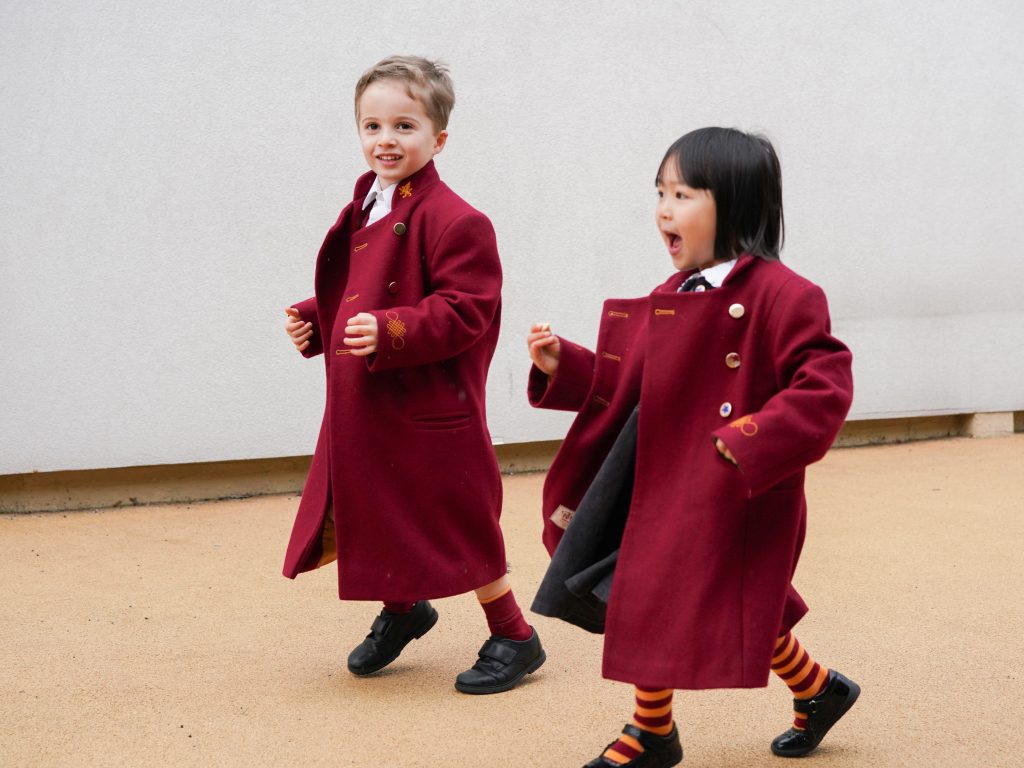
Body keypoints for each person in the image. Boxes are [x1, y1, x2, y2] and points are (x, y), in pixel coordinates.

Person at [526, 127, 858, 765]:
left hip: (737, 487)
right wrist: (560, 363)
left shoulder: (786, 296)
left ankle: (653, 733)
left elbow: (825, 386)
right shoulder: (672, 296)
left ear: (734, 204)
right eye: (660, 193)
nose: (663, 209)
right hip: (663, 477)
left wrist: (753, 437)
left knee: (696, 598)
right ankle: (812, 690)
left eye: (682, 194)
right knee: (653, 591)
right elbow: (629, 384)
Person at [282, 55, 544, 694]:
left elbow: (468, 310)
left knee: (451, 515)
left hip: (427, 404)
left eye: (404, 126)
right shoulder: (370, 203)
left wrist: (392, 329)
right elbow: (360, 287)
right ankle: (404, 607)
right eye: (372, 126)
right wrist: (317, 320)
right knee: (379, 504)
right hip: (375, 397)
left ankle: (514, 633)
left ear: (438, 139)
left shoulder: (456, 219)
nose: (385, 140)